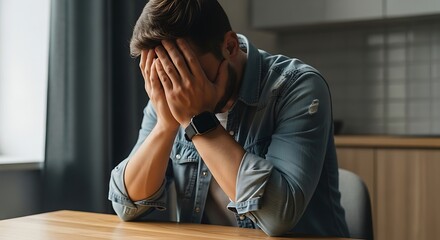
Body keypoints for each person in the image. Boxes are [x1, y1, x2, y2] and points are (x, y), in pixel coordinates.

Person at [108, 0, 349, 237]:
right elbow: (127, 206)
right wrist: (165, 125)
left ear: (230, 47)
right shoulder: (170, 92)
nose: (181, 88)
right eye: (169, 75)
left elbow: (278, 216)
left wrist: (199, 121)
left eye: (190, 72)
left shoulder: (296, 86)